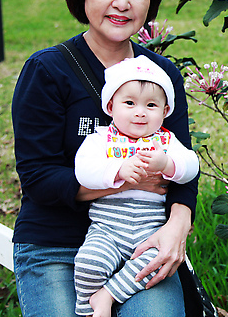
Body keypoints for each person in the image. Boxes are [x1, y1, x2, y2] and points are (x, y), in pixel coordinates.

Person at [11, 0, 197, 317]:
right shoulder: (47, 71)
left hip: (139, 243)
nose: (122, 3)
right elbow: (39, 179)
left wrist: (178, 224)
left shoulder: (161, 75)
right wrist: (126, 179)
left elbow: (182, 164)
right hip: (55, 243)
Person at [73, 55, 199, 316]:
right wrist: (118, 170)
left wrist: (167, 163)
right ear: (111, 106)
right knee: (88, 263)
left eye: (151, 105)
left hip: (149, 229)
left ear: (165, 112)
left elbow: (191, 167)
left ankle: (106, 296)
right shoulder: (102, 139)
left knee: (155, 266)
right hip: (107, 228)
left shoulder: (165, 141)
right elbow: (83, 170)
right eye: (129, 103)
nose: (140, 112)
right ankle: (87, 309)